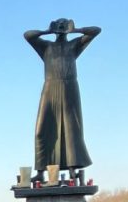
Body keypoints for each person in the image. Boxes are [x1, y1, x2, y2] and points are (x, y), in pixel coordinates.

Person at [24, 18, 101, 183]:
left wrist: (75, 30)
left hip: (69, 88)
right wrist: (47, 31)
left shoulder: (74, 45)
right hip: (50, 88)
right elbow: (28, 36)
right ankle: (41, 170)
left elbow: (96, 30)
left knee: (70, 128)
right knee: (41, 130)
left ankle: (73, 168)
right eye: (58, 25)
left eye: (63, 25)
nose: (60, 28)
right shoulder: (46, 47)